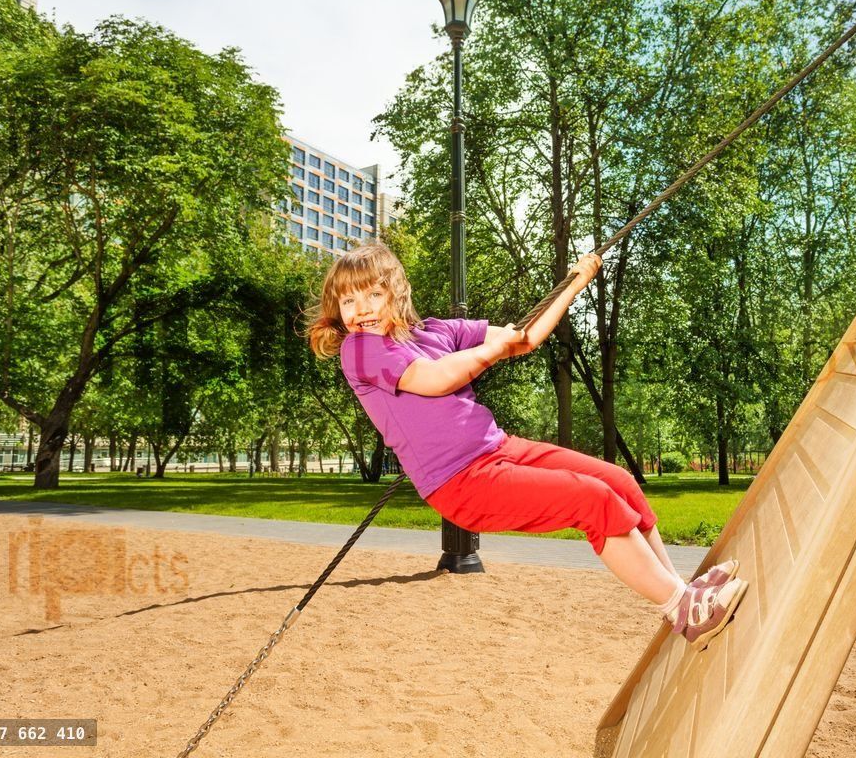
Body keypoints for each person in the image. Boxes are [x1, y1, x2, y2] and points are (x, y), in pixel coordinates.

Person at [306, 241, 746, 650]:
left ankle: (679, 592)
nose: (361, 310)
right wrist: (489, 351)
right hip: (460, 481)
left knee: (618, 481)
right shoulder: (360, 349)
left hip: (498, 448)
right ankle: (682, 610)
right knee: (590, 500)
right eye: (349, 301)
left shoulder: (438, 332)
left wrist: (574, 285)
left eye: (372, 296)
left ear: (396, 294)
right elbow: (435, 379)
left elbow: (525, 337)